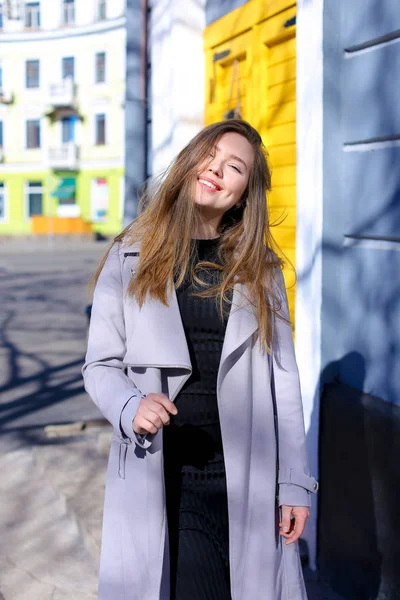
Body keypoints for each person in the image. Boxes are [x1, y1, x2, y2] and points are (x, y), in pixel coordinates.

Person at [82, 119, 318, 600]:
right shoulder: (130, 256)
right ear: (189, 161)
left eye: (234, 167)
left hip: (244, 473)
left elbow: (283, 384)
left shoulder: (260, 270)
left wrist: (294, 485)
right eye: (209, 156)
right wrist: (130, 407)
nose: (216, 171)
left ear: (243, 195)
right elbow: (100, 365)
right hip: (163, 466)